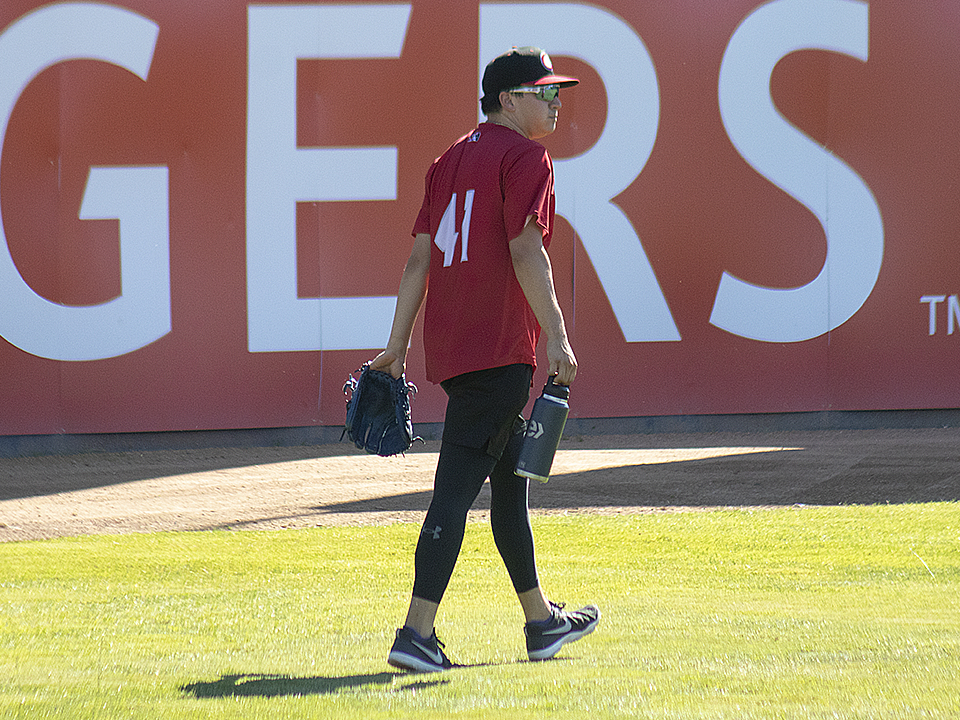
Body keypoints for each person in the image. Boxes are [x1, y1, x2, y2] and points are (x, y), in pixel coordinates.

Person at [369, 46, 599, 673]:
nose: (554, 101)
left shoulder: (447, 161)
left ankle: (540, 622)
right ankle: (416, 633)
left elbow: (420, 261)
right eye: (541, 91)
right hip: (501, 348)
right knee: (453, 491)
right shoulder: (526, 156)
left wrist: (397, 346)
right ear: (507, 99)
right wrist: (557, 335)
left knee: (507, 491)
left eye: (556, 91)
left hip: (456, 348)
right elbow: (527, 248)